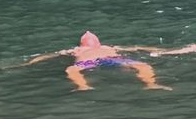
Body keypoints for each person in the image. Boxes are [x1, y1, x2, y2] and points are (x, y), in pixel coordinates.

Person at [24, 30, 171, 92]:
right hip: (110, 59)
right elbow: (138, 47)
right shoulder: (109, 47)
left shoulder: (77, 50)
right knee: (141, 64)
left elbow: (50, 55)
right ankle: (151, 83)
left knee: (72, 69)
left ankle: (83, 86)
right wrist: (163, 51)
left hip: (92, 62)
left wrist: (31, 62)